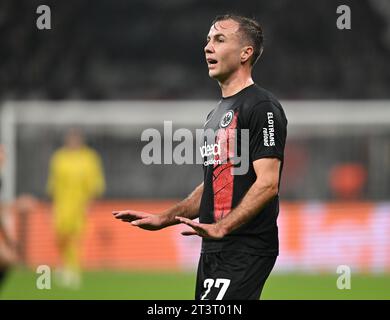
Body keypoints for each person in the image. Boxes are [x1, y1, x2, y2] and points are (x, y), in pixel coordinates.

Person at [113, 14, 287, 300]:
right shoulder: (214, 115)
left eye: (219, 39)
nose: (208, 47)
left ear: (246, 53)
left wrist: (223, 226)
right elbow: (214, 183)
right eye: (208, 40)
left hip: (245, 246)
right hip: (214, 247)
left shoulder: (262, 106)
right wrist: (164, 219)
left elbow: (268, 184)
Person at [47, 128, 105, 288]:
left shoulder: (89, 158)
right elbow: (54, 183)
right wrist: (52, 205)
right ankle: (64, 265)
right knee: (61, 236)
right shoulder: (59, 157)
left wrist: (90, 203)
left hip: (80, 204)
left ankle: (73, 271)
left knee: (76, 238)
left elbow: (95, 182)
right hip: (61, 203)